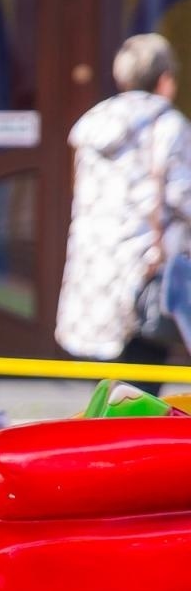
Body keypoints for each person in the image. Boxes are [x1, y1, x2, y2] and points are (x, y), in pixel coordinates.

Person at [56, 33, 191, 394]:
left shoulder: (94, 123)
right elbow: (183, 196)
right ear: (165, 79)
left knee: (107, 385)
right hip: (143, 271)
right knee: (141, 389)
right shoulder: (168, 125)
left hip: (96, 265)